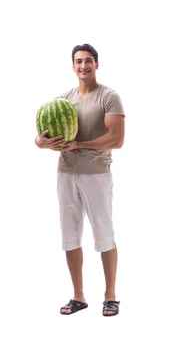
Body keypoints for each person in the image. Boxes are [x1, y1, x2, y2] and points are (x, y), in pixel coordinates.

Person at [35, 43, 125, 317]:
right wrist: (41, 141)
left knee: (104, 235)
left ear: (97, 64)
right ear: (73, 66)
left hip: (96, 174)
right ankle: (78, 297)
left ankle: (110, 296)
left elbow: (117, 139)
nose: (83, 66)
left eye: (88, 61)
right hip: (65, 174)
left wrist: (80, 145)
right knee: (69, 236)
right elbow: (43, 138)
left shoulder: (109, 97)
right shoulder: (63, 99)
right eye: (78, 62)